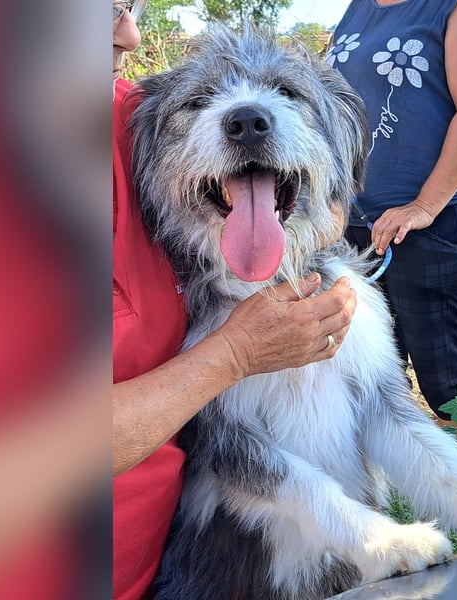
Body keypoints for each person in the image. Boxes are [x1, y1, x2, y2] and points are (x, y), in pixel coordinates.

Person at [112, 3, 357, 599]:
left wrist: (297, 216)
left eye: (126, 6)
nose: (130, 33)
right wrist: (234, 354)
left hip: (166, 551)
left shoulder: (126, 112)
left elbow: (330, 188)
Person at [328, 0, 457, 425]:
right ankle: (402, 480)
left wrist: (423, 206)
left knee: (447, 381)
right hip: (355, 228)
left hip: (432, 226)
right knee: (376, 372)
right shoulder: (359, 8)